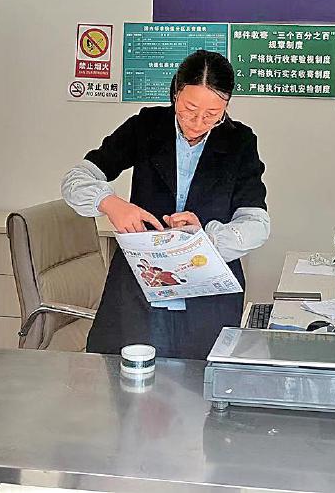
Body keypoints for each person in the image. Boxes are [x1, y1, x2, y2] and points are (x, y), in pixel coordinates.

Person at [62, 49, 270, 360]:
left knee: (200, 382)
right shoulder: (146, 127)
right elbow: (76, 179)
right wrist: (110, 203)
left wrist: (207, 237)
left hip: (206, 292)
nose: (198, 122)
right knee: (129, 380)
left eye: (213, 114)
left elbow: (257, 224)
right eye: (189, 109)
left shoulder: (239, 142)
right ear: (175, 94)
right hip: (141, 287)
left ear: (226, 106)